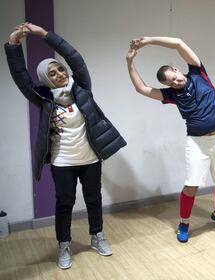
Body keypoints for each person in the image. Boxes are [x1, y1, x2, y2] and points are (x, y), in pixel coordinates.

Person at [5, 23, 127, 269]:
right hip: (63, 162)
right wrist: (13, 45)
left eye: (60, 69)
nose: (60, 74)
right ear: (45, 80)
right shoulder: (44, 99)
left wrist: (44, 35)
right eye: (53, 73)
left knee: (94, 199)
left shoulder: (82, 89)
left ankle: (97, 237)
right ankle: (64, 245)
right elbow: (21, 79)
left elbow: (75, 58)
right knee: (64, 203)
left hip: (91, 158)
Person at [126, 36, 215, 243]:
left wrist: (148, 40)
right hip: (197, 142)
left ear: (177, 69)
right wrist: (130, 61)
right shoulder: (172, 95)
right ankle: (184, 222)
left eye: (174, 77)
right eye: (170, 83)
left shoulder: (198, 73)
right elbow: (141, 88)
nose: (175, 82)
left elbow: (178, 43)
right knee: (191, 185)